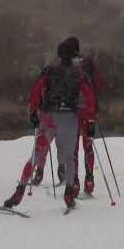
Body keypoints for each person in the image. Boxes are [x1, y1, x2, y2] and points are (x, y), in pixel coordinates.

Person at [4, 38, 97, 209]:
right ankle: (69, 193)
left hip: (49, 118)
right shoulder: (79, 74)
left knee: (35, 155)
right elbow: (90, 98)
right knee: (70, 158)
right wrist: (90, 119)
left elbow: (36, 90)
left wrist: (33, 111)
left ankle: (20, 190)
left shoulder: (49, 71)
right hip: (69, 118)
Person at [30, 37, 104, 197]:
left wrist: (35, 109)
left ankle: (73, 182)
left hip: (71, 111)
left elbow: (41, 88)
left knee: (72, 148)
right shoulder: (88, 64)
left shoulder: (58, 68)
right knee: (88, 144)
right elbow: (98, 84)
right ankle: (89, 179)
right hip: (87, 110)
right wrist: (93, 108)